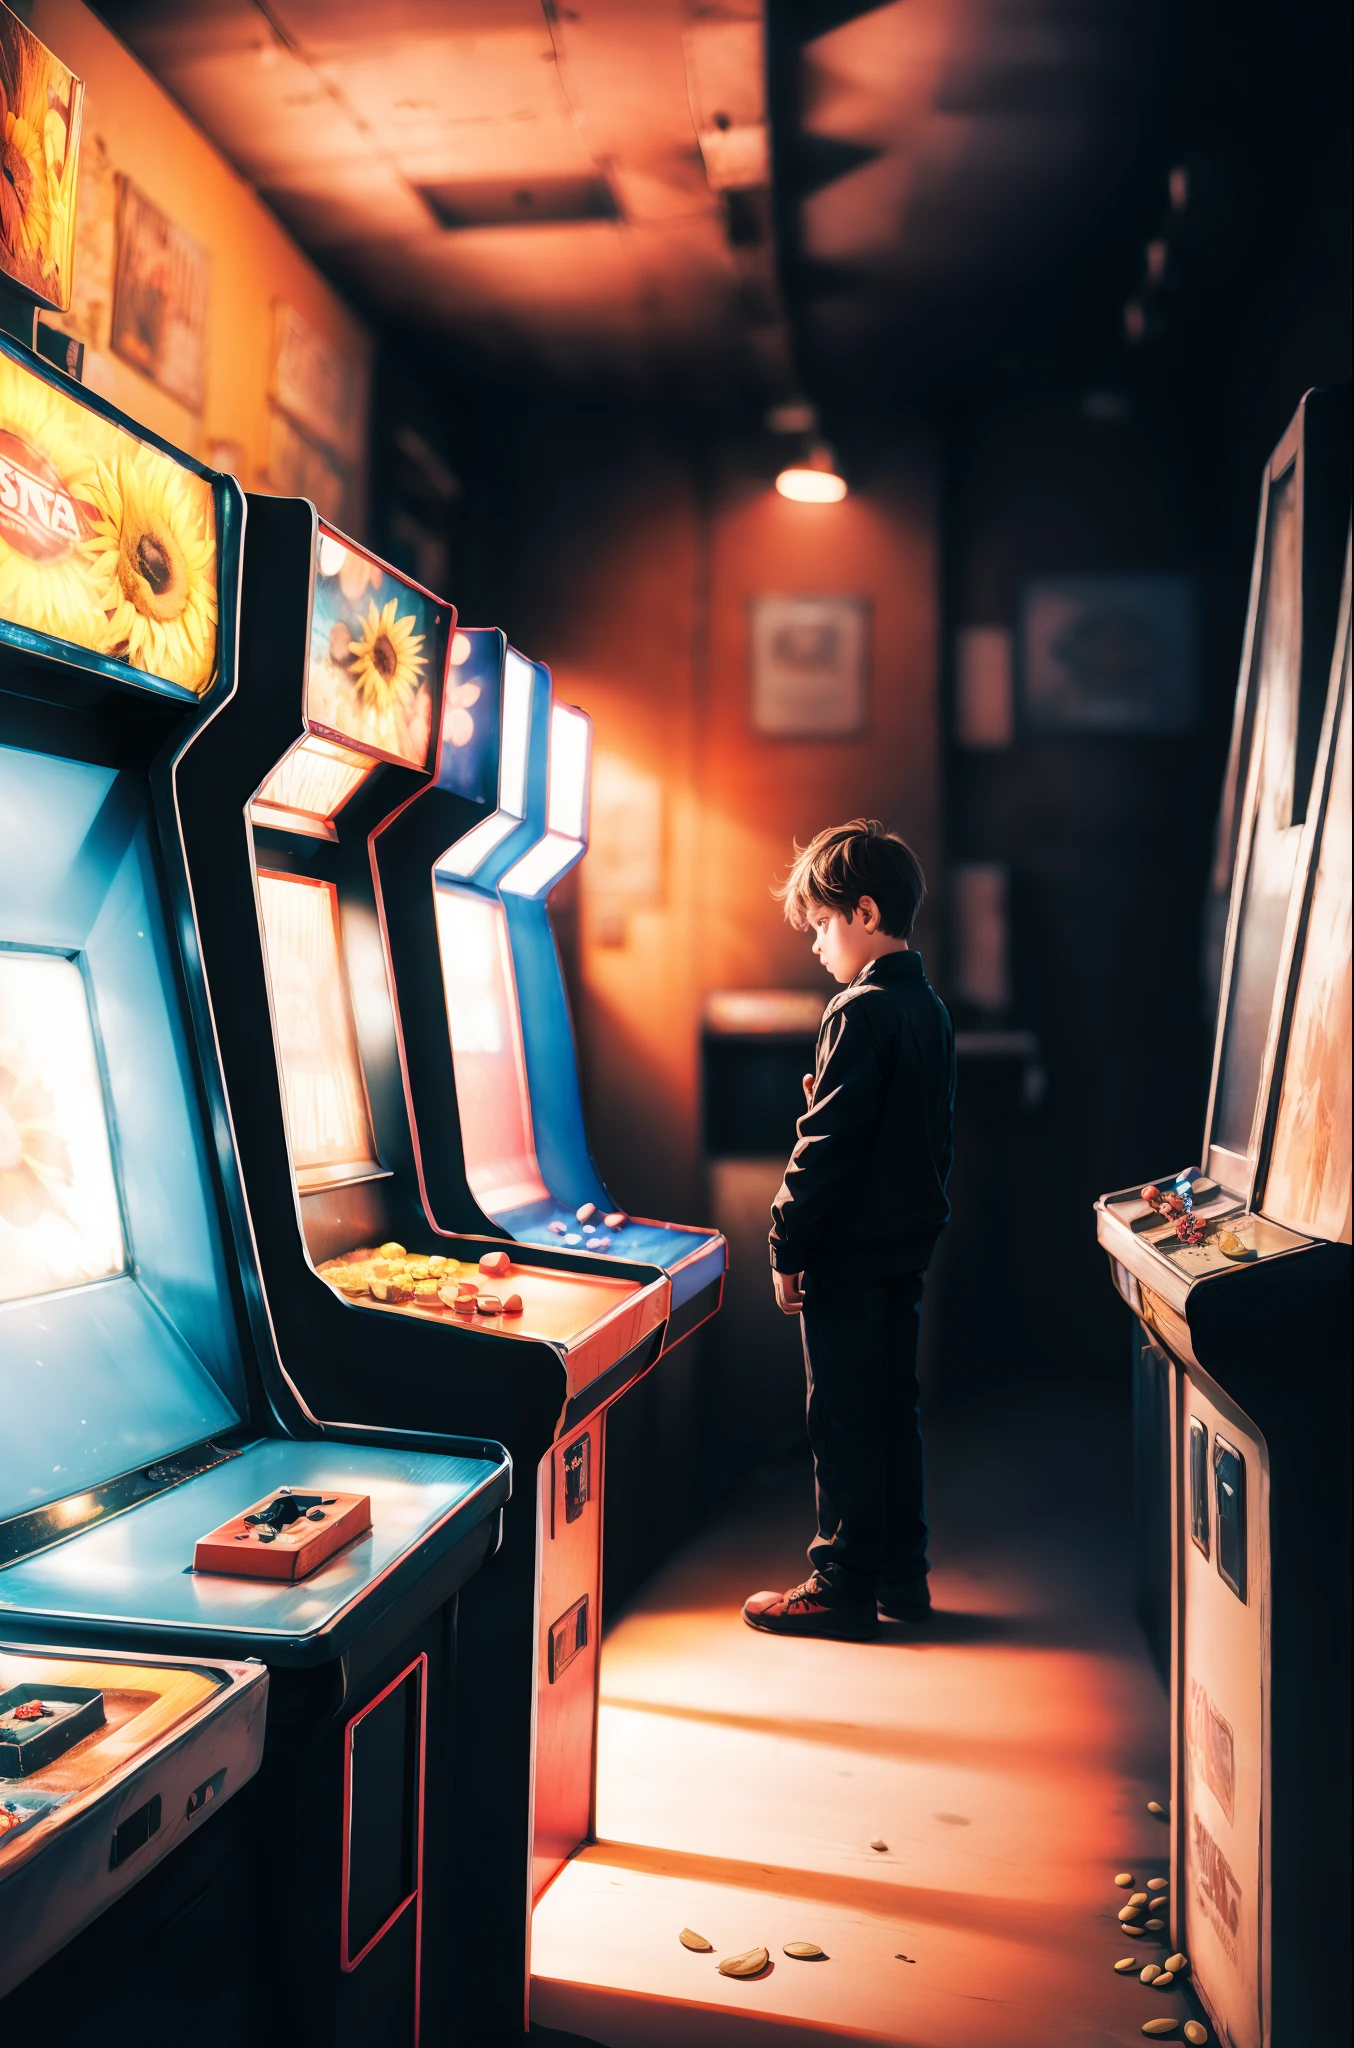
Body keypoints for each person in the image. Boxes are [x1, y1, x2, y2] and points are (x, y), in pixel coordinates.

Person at [743, 819, 955, 1641]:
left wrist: (785, 1243)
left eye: (824, 925)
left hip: (847, 1256)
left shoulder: (857, 1009)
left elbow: (826, 1147)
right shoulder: (926, 1009)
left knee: (840, 1419)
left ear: (864, 913)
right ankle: (903, 1576)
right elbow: (917, 1134)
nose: (818, 945)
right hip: (903, 1249)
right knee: (893, 1413)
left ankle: (840, 1581)